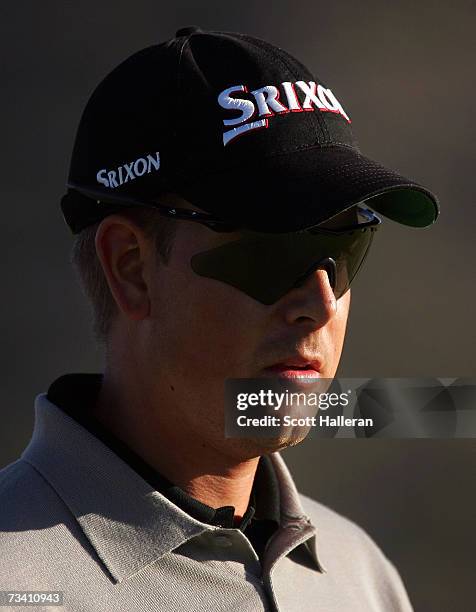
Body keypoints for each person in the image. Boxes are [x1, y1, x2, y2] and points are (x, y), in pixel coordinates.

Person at [0, 27, 438, 611]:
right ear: (131, 267)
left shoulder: (361, 575)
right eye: (270, 248)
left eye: (346, 246)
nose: (320, 302)